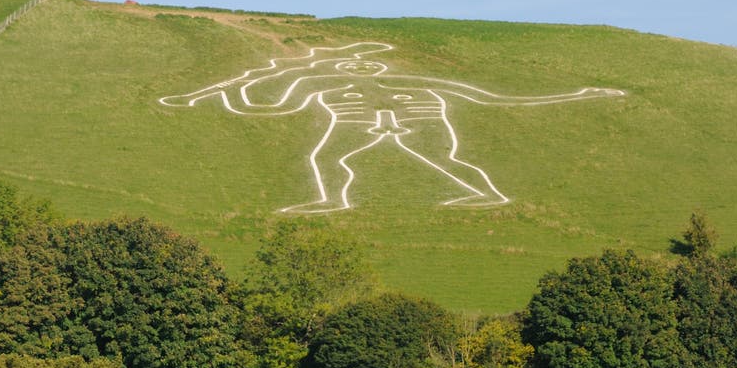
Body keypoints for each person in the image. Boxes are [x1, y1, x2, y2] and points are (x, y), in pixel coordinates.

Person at [161, 42, 624, 213]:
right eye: (351, 63)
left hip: (419, 122)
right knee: (325, 157)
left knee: (446, 158)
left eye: (366, 63)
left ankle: (484, 195)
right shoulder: (318, 84)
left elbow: (496, 100)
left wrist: (579, 95)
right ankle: (330, 200)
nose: (359, 68)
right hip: (355, 124)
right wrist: (230, 90)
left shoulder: (414, 82)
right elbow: (269, 111)